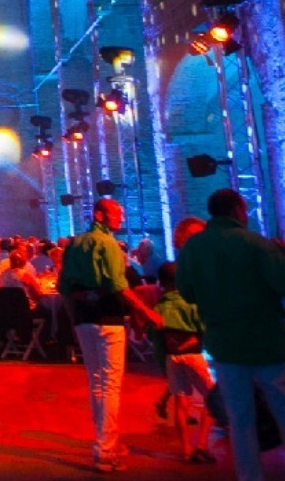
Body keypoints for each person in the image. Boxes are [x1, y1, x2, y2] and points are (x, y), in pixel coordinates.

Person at [177, 189, 285, 481]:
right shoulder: (258, 245)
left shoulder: (193, 249)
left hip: (224, 344)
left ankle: (250, 476)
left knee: (239, 419)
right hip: (267, 342)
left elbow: (186, 291)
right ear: (238, 210)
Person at [57, 198, 162, 473]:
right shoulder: (110, 245)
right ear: (100, 214)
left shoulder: (74, 245)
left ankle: (107, 442)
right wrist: (149, 314)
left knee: (96, 383)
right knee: (111, 385)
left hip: (83, 320)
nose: (122, 218)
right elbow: (119, 287)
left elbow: (64, 287)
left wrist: (73, 318)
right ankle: (105, 450)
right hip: (109, 320)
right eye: (118, 213)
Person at [152, 262, 215, 464]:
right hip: (193, 355)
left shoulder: (159, 307)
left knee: (181, 402)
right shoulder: (192, 303)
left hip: (171, 358)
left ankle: (186, 449)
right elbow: (204, 329)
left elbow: (155, 338)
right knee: (214, 399)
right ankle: (202, 444)